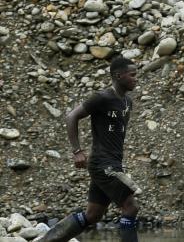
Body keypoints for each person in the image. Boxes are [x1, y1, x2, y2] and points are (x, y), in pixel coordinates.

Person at [36, 56, 141, 242]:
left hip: (113, 164)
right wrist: (77, 151)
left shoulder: (127, 102)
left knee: (93, 215)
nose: (136, 78)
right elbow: (71, 117)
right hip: (103, 164)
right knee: (131, 206)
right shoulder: (102, 97)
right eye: (132, 75)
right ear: (118, 76)